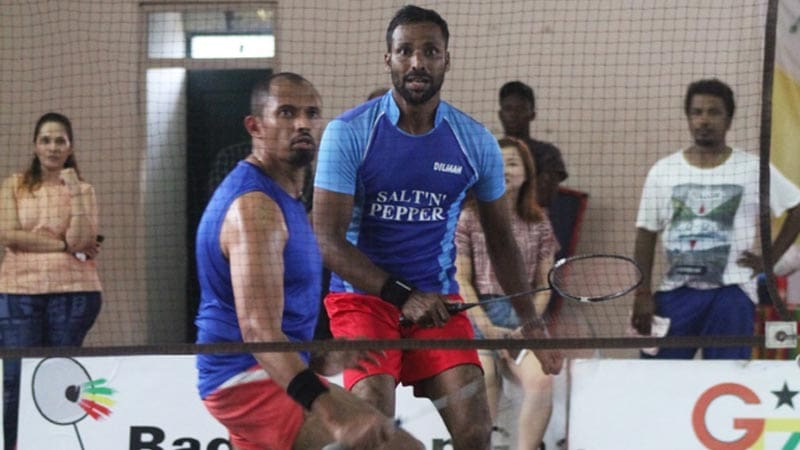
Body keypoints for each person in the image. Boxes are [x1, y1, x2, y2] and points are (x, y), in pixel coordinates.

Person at [313, 6, 563, 450]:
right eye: (405, 51)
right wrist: (402, 296)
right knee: (372, 422)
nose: (417, 62)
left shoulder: (475, 141)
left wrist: (532, 323)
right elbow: (327, 240)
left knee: (475, 430)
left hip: (438, 305)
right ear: (388, 59)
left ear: (447, 59)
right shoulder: (347, 133)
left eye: (430, 51)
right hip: (363, 302)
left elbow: (501, 241)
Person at [194, 72, 422, 450]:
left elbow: (279, 323)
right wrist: (333, 416)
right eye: (286, 112)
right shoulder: (256, 210)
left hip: (268, 372)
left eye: (311, 113)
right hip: (246, 380)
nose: (302, 123)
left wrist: (320, 358)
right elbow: (259, 332)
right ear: (255, 126)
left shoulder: (287, 199)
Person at [631, 78, 800, 359]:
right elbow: (645, 235)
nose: (704, 120)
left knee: (727, 375)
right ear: (688, 118)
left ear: (729, 119)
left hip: (732, 293)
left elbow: (796, 208)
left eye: (714, 112)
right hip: (676, 292)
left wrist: (768, 260)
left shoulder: (752, 169)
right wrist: (642, 293)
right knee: (658, 373)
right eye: (697, 112)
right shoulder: (664, 171)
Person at [0, 112, 103, 450]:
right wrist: (60, 246)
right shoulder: (13, 185)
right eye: (46, 140)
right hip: (17, 293)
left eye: (60, 141)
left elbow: (81, 240)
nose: (53, 147)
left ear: (70, 147)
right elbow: (8, 235)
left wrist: (74, 192)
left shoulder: (83, 189)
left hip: (74, 295)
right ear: (35, 145)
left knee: (60, 377)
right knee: (15, 378)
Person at [455, 137, 558, 450]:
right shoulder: (469, 217)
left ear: (526, 172)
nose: (504, 170)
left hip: (525, 318)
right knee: (484, 380)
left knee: (542, 380)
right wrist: (486, 325)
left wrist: (527, 323)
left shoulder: (539, 222)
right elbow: (461, 279)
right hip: (479, 315)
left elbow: (545, 283)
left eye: (512, 163)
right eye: (497, 164)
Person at [498, 81, 568, 209]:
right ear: (500, 114)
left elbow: (544, 198)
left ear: (532, 115)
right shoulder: (488, 152)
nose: (513, 114)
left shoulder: (548, 153)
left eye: (520, 109)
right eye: (508, 109)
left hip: (531, 219)